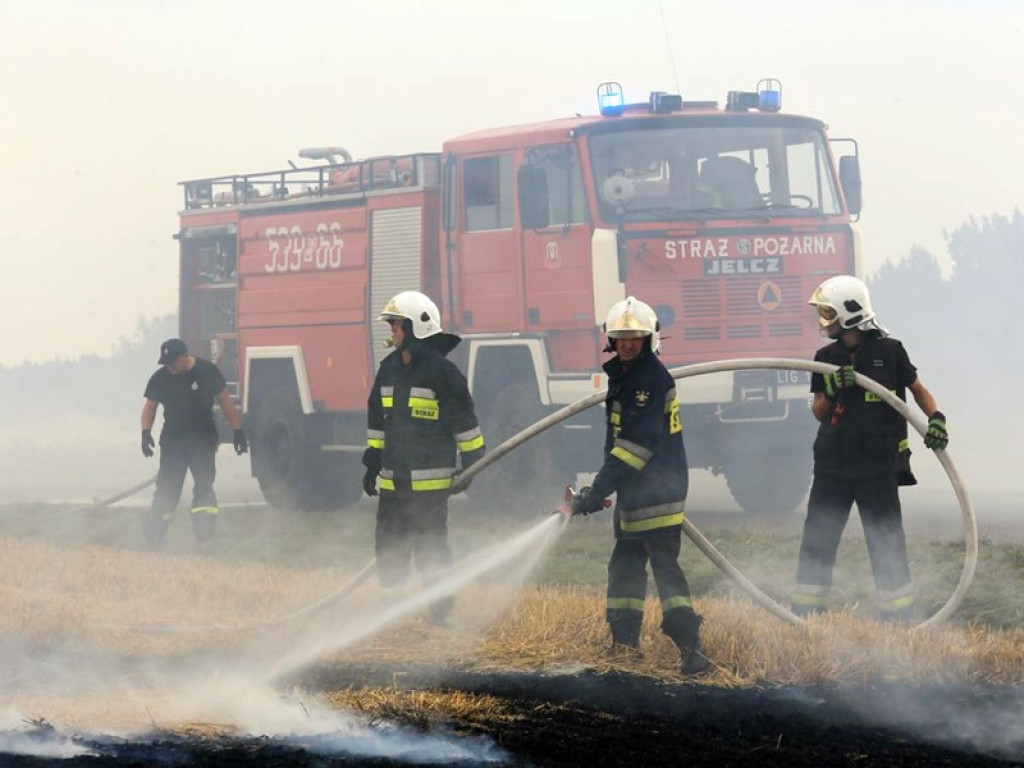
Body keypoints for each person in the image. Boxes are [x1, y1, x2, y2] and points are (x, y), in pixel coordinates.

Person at [791, 275, 949, 621]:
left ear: (850, 312)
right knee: (819, 538)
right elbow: (819, 412)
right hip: (833, 467)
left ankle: (898, 619)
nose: (823, 321)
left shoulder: (889, 352)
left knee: (886, 541)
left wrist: (936, 418)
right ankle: (805, 614)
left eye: (828, 313)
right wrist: (830, 389)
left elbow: (918, 389)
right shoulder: (825, 357)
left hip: (877, 466)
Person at [570, 296, 709, 675]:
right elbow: (618, 441)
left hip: (657, 492)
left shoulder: (647, 380)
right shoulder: (628, 376)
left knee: (666, 572)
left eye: (635, 337)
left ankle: (692, 650)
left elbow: (635, 447)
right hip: (636, 491)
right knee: (625, 570)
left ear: (649, 339)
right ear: (610, 339)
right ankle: (624, 645)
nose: (627, 343)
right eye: (621, 337)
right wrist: (604, 488)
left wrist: (597, 491)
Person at [361, 291, 485, 625]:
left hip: (429, 487)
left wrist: (473, 465)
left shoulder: (443, 374)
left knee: (431, 551)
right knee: (389, 551)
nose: (392, 332)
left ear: (414, 327)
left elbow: (466, 425)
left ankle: (441, 617)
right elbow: (377, 419)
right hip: (392, 483)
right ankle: (391, 614)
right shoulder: (388, 369)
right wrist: (373, 459)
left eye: (396, 325)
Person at [140, 338, 247, 549]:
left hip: (203, 441)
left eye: (172, 362)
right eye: (165, 363)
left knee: (204, 487)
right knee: (168, 490)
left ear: (185, 356)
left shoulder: (207, 371)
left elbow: (225, 400)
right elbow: (150, 407)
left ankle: (204, 537)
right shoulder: (160, 378)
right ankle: (155, 537)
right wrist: (145, 433)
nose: (169, 367)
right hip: (172, 443)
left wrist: (238, 431)